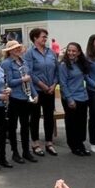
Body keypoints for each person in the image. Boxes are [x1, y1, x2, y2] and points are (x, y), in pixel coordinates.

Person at [0, 39, 35, 163]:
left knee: (25, 126)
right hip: (14, 98)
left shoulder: (24, 61)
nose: (18, 50)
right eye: (15, 48)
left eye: (18, 48)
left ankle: (26, 151)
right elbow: (8, 82)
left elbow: (30, 81)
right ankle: (15, 152)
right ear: (9, 51)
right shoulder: (6, 63)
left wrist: (34, 94)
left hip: (25, 98)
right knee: (13, 127)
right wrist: (22, 79)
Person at [27, 28, 59, 157]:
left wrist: (54, 84)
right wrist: (42, 85)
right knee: (34, 117)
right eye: (42, 37)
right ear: (35, 38)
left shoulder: (51, 52)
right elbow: (29, 72)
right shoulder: (30, 54)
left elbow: (57, 70)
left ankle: (49, 143)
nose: (45, 39)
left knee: (49, 117)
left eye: (46, 37)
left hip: (50, 90)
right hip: (37, 90)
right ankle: (35, 143)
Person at [59, 42, 91, 156]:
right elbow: (63, 84)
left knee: (82, 122)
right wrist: (69, 99)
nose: (71, 53)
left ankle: (80, 143)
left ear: (78, 52)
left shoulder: (81, 63)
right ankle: (74, 146)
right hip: (71, 97)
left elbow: (86, 78)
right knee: (72, 123)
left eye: (74, 51)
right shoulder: (63, 65)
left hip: (82, 96)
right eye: (69, 50)